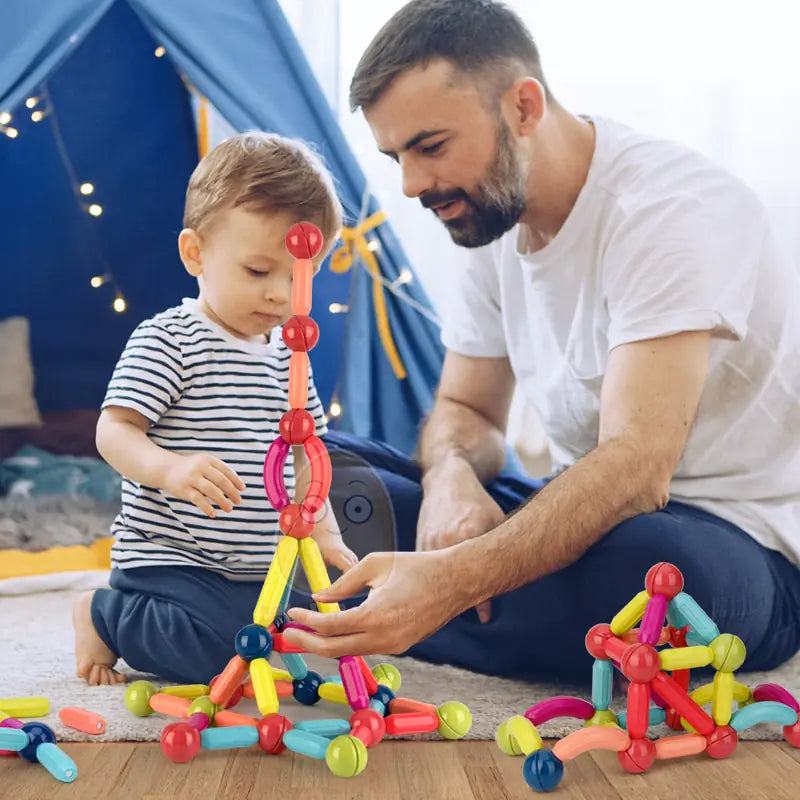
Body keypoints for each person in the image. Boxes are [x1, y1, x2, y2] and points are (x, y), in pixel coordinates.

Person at [284, 0, 800, 682]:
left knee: (651, 574)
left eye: (430, 146)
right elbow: (466, 412)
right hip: (572, 505)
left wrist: (453, 578)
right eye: (396, 157)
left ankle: (369, 612)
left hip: (725, 537)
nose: (412, 185)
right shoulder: (488, 219)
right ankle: (400, 606)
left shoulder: (669, 211)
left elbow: (638, 470)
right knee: (298, 464)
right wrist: (451, 478)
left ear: (524, 108)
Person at [72, 132, 357, 685]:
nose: (280, 294)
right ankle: (102, 614)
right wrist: (169, 468)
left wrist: (322, 528)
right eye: (258, 271)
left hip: (257, 566)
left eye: (300, 275)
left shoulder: (288, 358)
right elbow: (114, 430)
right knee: (214, 657)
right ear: (195, 253)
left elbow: (308, 460)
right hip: (171, 559)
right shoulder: (170, 339)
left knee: (308, 628)